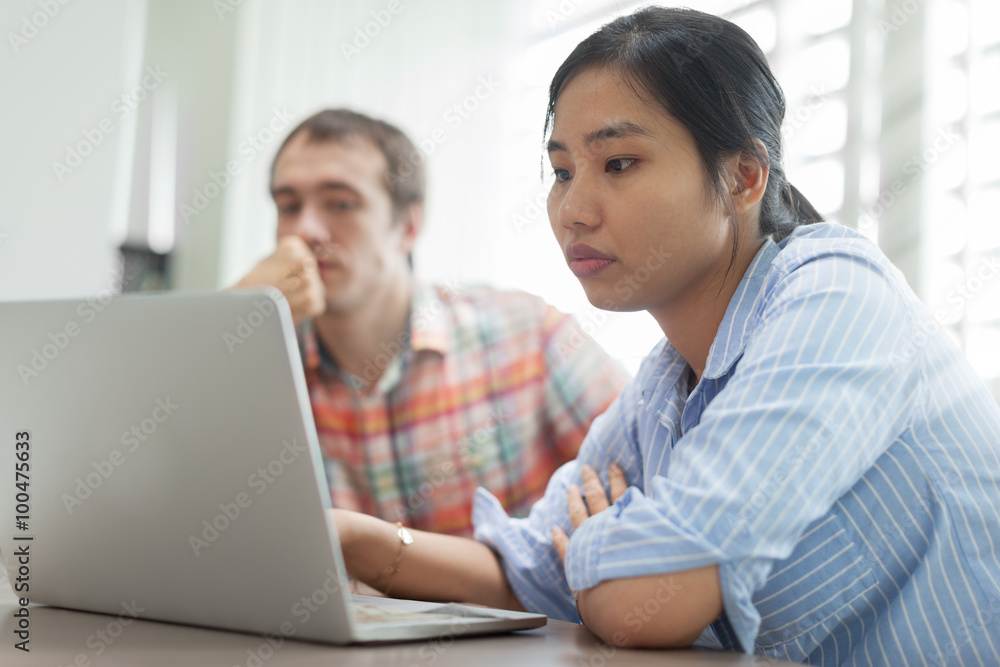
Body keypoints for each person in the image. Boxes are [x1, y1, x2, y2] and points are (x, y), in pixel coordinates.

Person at [326, 7, 1000, 665]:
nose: (573, 212)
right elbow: (525, 568)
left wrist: (594, 552)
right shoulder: (665, 381)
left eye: (618, 163)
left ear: (744, 175)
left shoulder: (836, 293)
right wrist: (353, 539)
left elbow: (645, 604)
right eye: (563, 172)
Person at [234, 109, 629, 537]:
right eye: (288, 206)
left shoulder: (528, 333)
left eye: (340, 203)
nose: (305, 231)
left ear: (408, 225)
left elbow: (651, 483)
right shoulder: (254, 367)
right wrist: (235, 323)